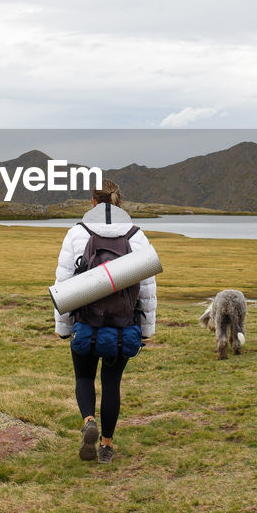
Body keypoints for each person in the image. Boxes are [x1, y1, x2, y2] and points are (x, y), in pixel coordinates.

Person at [53, 179, 157, 463]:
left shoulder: (77, 233)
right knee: (112, 384)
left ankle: (88, 420)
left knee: (84, 377)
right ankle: (107, 446)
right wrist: (146, 330)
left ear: (93, 203)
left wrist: (63, 329)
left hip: (85, 325)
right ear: (119, 202)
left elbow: (63, 283)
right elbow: (147, 288)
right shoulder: (136, 235)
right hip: (124, 327)